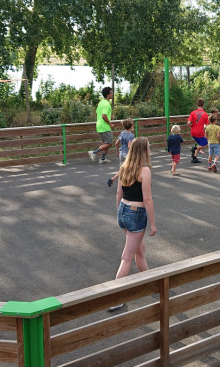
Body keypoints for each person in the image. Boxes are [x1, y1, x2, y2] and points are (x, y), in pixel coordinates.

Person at [109, 137, 157, 311]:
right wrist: (153, 224)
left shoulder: (124, 167)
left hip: (123, 211)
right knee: (127, 257)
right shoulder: (144, 171)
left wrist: (120, 214)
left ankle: (151, 282)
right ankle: (116, 298)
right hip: (136, 214)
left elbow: (118, 194)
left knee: (140, 250)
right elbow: (147, 199)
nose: (149, 149)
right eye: (148, 147)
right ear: (143, 151)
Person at [89, 86, 114, 164]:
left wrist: (110, 116)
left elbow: (98, 113)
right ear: (108, 94)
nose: (112, 94)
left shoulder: (101, 102)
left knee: (106, 143)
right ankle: (94, 152)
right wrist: (110, 123)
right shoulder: (106, 104)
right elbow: (103, 116)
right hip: (105, 127)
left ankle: (102, 159)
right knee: (109, 143)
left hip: (99, 126)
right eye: (111, 93)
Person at [107, 119, 135, 187]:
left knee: (122, 169)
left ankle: (115, 180)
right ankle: (129, 183)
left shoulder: (122, 133)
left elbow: (116, 143)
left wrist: (117, 151)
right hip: (127, 153)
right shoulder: (131, 135)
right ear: (131, 126)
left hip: (121, 152)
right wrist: (133, 153)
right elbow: (129, 146)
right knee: (131, 168)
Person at [187, 98, 210, 163]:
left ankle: (194, 158)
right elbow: (207, 125)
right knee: (207, 144)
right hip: (200, 132)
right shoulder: (205, 114)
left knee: (200, 143)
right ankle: (194, 148)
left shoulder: (193, 113)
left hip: (193, 131)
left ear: (197, 104)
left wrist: (192, 126)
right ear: (203, 104)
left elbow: (188, 122)